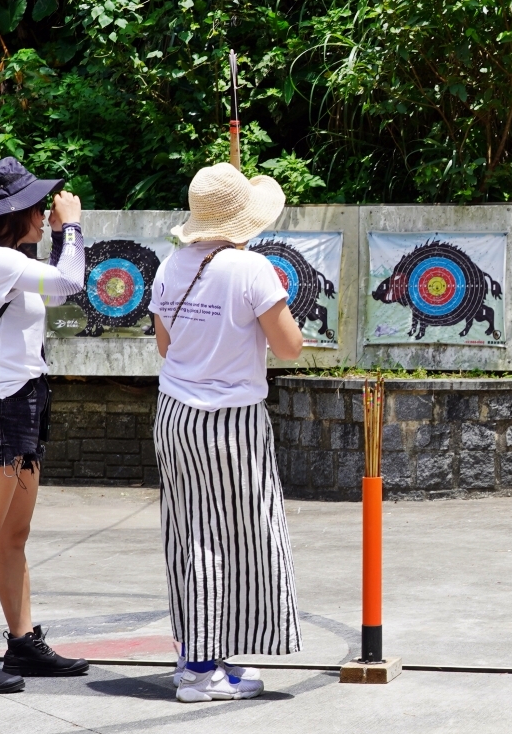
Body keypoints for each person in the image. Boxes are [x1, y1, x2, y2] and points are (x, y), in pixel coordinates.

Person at [148, 162, 304, 702]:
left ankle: (203, 656)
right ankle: (200, 669)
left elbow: (166, 347)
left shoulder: (170, 267)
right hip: (230, 420)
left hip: (175, 415)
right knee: (238, 535)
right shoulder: (252, 268)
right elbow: (289, 347)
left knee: (191, 533)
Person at [0, 157, 89, 693]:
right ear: (9, 214)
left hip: (24, 401)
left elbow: (54, 293)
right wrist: (72, 227)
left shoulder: (8, 260)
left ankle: (22, 640)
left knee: (14, 535)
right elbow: (70, 282)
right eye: (36, 206)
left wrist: (55, 235)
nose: (44, 213)